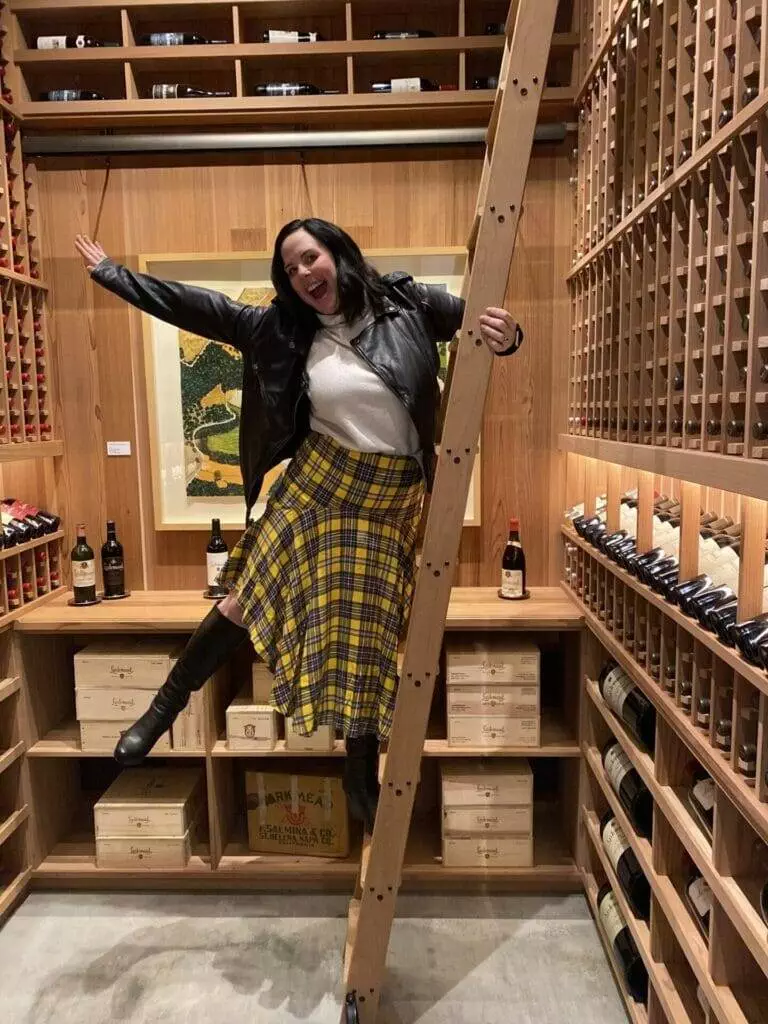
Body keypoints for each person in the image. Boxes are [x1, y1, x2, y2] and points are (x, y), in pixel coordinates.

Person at [74, 219, 523, 833]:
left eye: (310, 258)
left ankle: (359, 765)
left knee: (367, 636)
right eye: (290, 269)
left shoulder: (408, 303)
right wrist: (113, 274)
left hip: (389, 500)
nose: (304, 274)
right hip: (317, 481)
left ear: (336, 255)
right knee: (245, 594)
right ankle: (162, 709)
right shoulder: (282, 330)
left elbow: (484, 322)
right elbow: (196, 307)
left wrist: (509, 334)